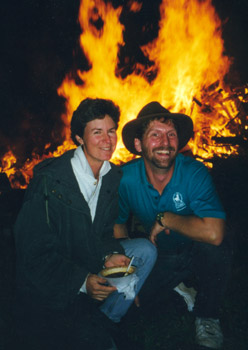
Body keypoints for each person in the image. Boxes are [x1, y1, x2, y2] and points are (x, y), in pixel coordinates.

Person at [13, 98, 157, 350]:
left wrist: (109, 255)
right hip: (53, 283)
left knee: (145, 251)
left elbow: (101, 232)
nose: (107, 140)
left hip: (87, 261)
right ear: (79, 138)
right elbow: (32, 254)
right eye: (97, 132)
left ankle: (106, 317)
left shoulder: (111, 176)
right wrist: (81, 281)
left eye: (111, 131)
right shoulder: (51, 182)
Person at [114, 101, 233, 349]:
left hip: (196, 250)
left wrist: (166, 218)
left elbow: (214, 232)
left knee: (217, 248)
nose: (165, 143)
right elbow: (117, 227)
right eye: (155, 135)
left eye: (170, 135)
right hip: (159, 255)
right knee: (138, 303)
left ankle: (207, 315)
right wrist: (126, 277)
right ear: (138, 145)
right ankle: (179, 287)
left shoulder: (194, 172)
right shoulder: (125, 179)